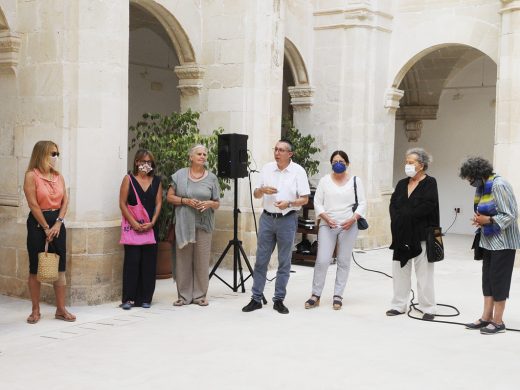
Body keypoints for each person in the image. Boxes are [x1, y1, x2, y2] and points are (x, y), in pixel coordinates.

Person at [242, 139, 310, 314]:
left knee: (284, 261)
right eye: (276, 149)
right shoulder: (266, 168)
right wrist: (262, 190)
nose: (277, 153)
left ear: (290, 154)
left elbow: (305, 199)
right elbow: (256, 194)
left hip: (287, 219)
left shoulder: (298, 171)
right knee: (261, 260)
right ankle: (256, 298)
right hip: (266, 218)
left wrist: (289, 203)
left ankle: (278, 299)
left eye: (281, 150)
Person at [459, 157, 520, 335]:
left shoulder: (499, 185)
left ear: (478, 173)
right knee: (488, 279)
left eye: (470, 177)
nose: (470, 181)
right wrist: (481, 221)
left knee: (499, 280)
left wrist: (489, 220)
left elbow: (511, 214)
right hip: (489, 240)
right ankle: (486, 317)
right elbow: (487, 211)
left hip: (503, 242)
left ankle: (498, 321)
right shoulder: (482, 186)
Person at [304, 150, 366, 310]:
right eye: (335, 161)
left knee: (344, 261)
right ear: (331, 163)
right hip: (328, 224)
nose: (338, 164)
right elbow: (317, 202)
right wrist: (326, 218)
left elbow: (363, 203)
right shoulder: (324, 181)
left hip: (349, 225)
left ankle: (338, 295)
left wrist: (353, 219)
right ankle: (315, 294)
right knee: (322, 260)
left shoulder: (355, 181)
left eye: (341, 161)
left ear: (347, 163)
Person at [23, 140, 75, 324]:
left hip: (58, 223)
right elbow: (33, 204)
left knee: (60, 267)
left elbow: (65, 200)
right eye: (53, 154)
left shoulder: (58, 176)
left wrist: (58, 223)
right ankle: (35, 310)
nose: (56, 158)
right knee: (35, 267)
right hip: (38, 223)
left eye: (57, 154)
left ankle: (60, 309)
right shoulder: (31, 175)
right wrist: (46, 227)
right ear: (42, 154)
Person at [387, 148, 439, 320]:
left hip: (421, 235)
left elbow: (428, 205)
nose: (407, 165)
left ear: (421, 165)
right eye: (406, 162)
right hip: (401, 234)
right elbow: (393, 203)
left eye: (411, 162)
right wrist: (397, 219)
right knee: (400, 272)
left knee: (424, 274)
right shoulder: (402, 184)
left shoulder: (430, 183)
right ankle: (398, 305)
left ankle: (428, 308)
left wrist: (406, 216)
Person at [167, 144, 220, 306]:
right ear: (191, 157)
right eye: (199, 154)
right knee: (183, 260)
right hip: (184, 224)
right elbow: (169, 197)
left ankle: (199, 296)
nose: (202, 156)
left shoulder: (212, 178)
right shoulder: (179, 175)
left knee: (202, 260)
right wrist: (185, 201)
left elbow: (217, 203)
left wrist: (209, 204)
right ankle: (184, 296)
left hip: (203, 224)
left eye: (204, 154)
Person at [118, 149, 162, 309]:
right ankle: (129, 299)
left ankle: (146, 298)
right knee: (132, 262)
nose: (146, 165)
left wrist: (153, 222)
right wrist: (134, 222)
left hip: (150, 228)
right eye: (143, 161)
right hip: (133, 227)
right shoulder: (128, 179)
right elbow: (122, 203)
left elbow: (158, 203)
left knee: (149, 263)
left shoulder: (156, 181)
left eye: (149, 162)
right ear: (136, 162)